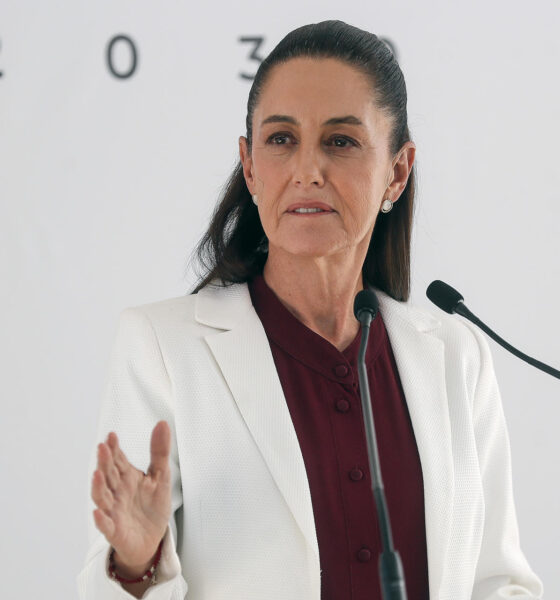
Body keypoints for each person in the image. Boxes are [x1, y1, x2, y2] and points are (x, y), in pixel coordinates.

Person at [77, 20, 543, 600]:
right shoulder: (161, 347)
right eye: (280, 140)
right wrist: (138, 561)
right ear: (249, 165)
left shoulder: (456, 355)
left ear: (396, 172)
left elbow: (498, 581)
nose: (307, 171)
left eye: (340, 141)